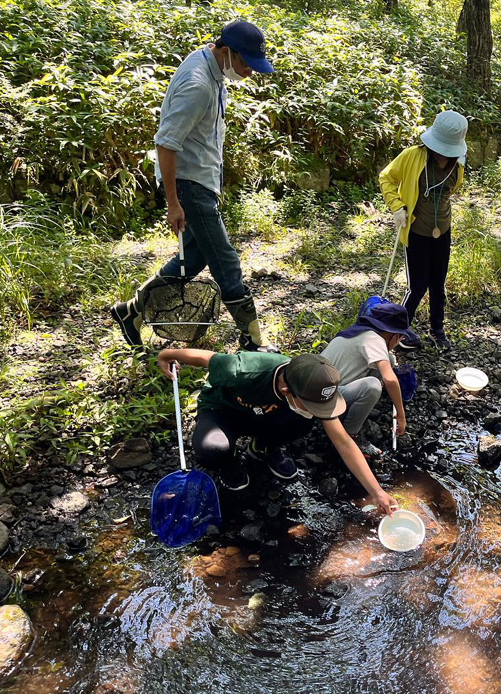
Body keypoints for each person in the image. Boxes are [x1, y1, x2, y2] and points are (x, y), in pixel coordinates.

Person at [111, 20, 278, 353]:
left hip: (201, 179)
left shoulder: (211, 66)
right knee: (225, 262)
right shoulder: (199, 83)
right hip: (190, 186)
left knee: (193, 260)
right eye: (245, 63)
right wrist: (174, 201)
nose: (248, 72)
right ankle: (253, 342)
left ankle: (131, 312)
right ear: (227, 51)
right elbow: (166, 143)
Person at [155, 348, 398, 514]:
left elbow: (343, 442)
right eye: (312, 404)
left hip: (264, 415)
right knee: (213, 449)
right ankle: (230, 463)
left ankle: (262, 448)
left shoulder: (315, 383)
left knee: (303, 420)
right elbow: (205, 357)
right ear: (286, 392)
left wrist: (376, 492)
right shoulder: (244, 369)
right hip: (223, 411)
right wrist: (166, 355)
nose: (318, 409)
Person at [379, 111, 468, 351]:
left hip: (443, 230)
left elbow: (452, 191)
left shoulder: (458, 163)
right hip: (416, 231)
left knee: (438, 283)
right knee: (417, 286)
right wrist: (397, 207)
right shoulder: (412, 156)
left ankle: (437, 329)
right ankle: (399, 330)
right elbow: (386, 178)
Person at [321, 302, 415, 458]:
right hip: (324, 399)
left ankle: (349, 416)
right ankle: (350, 435)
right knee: (372, 386)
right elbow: (390, 379)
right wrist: (401, 414)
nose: (399, 341)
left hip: (325, 390)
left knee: (389, 361)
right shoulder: (374, 338)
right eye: (399, 337)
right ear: (391, 333)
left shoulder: (361, 332)